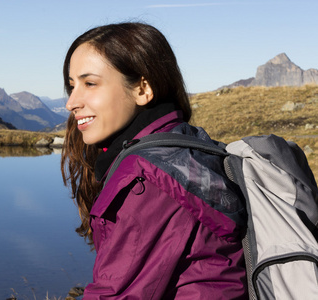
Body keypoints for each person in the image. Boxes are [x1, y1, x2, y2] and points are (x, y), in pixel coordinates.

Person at [61, 22, 247, 299]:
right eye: (72, 86)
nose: (71, 102)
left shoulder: (149, 178)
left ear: (142, 89)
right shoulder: (186, 143)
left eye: (90, 83)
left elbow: (117, 294)